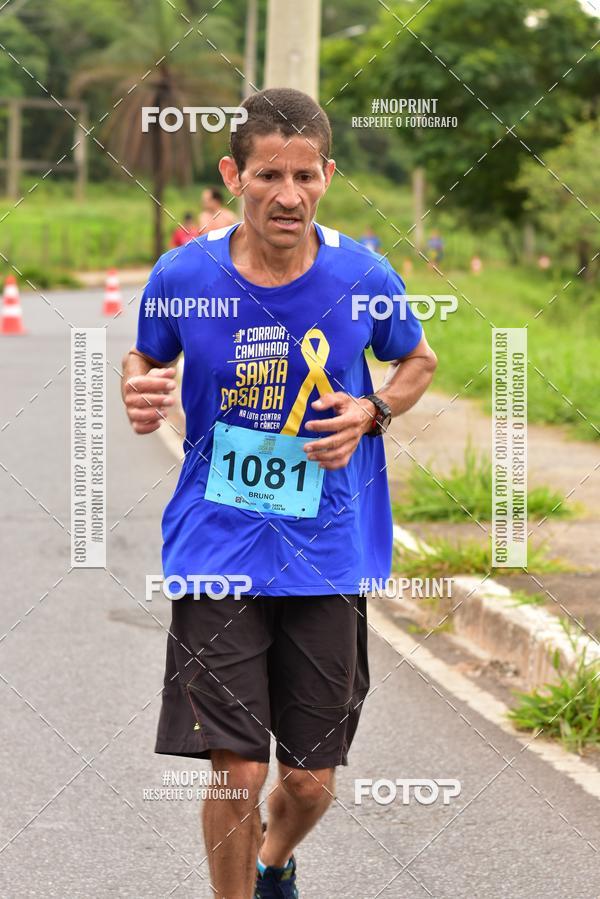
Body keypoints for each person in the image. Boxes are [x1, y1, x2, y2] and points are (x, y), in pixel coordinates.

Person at [121, 87, 437, 899]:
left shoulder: (362, 272)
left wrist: (372, 410)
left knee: (307, 783)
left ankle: (272, 861)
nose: (287, 195)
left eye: (304, 175)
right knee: (235, 768)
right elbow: (144, 358)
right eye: (268, 175)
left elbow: (418, 361)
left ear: (328, 175)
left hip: (328, 551)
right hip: (215, 545)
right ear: (235, 174)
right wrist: (139, 388)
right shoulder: (183, 272)